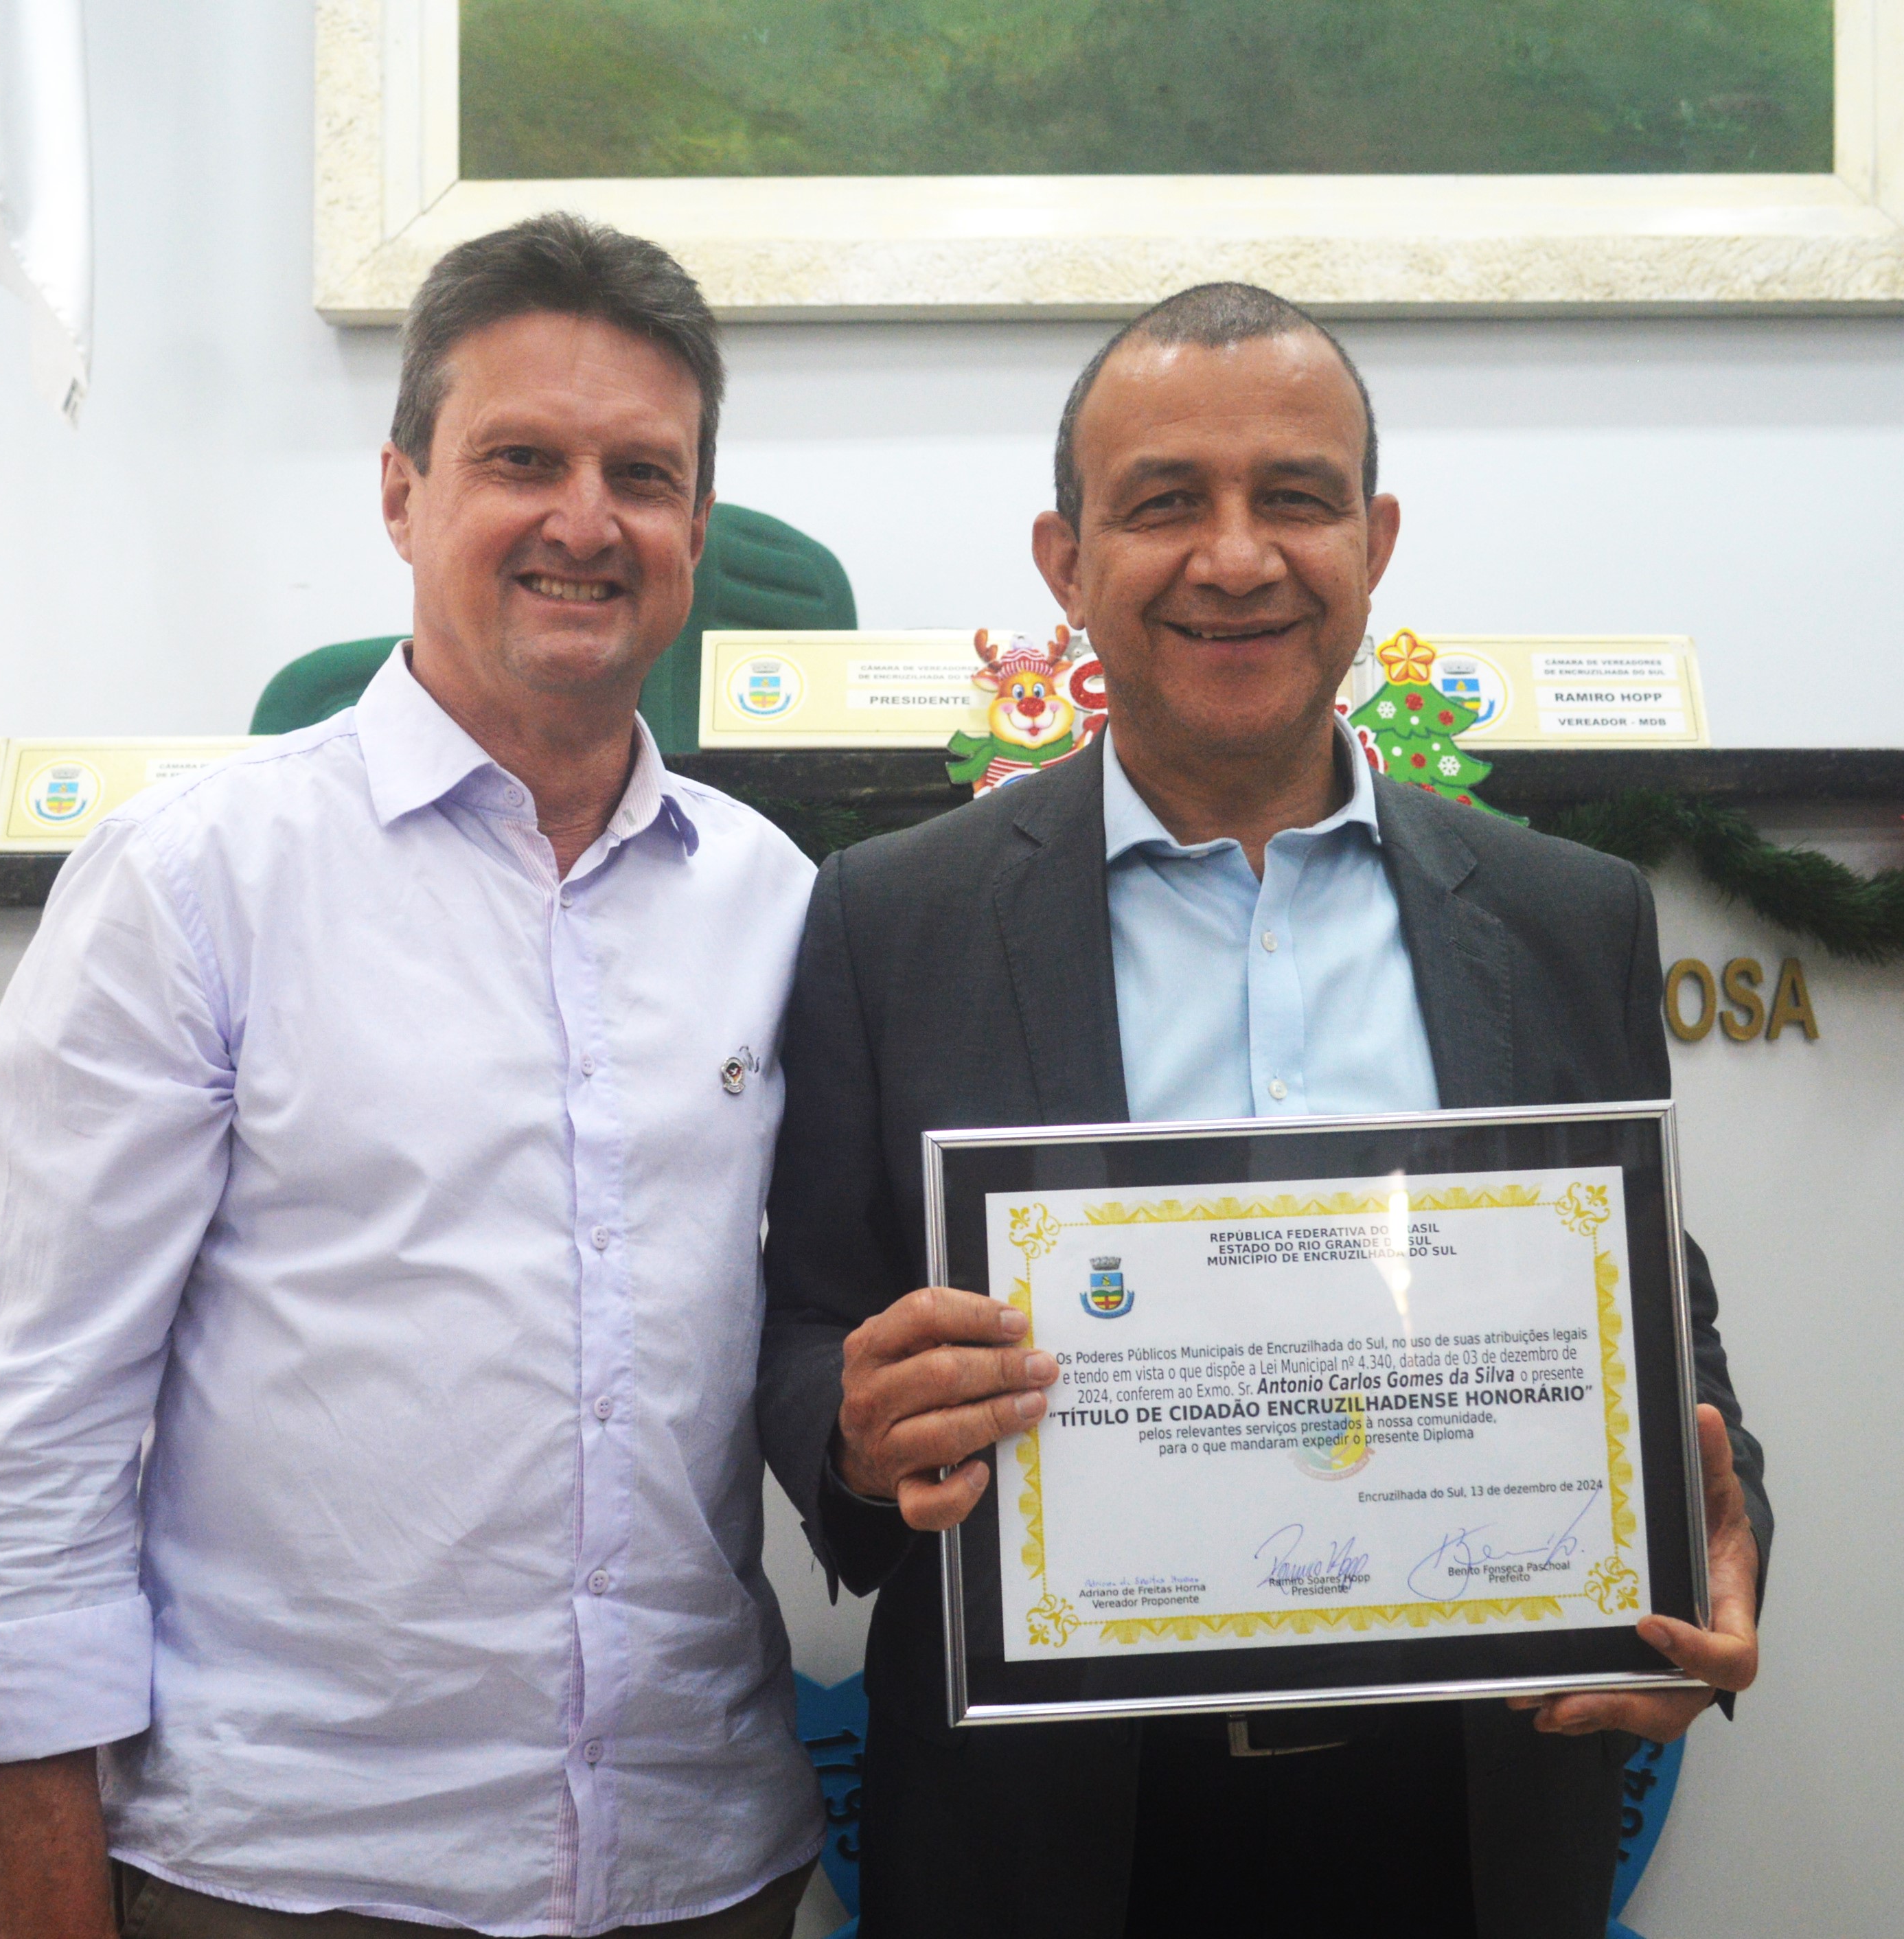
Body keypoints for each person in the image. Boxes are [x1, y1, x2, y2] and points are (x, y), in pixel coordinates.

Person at [757, 282, 1769, 1939]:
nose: (1236, 558)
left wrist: (1727, 1542)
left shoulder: (1564, 914)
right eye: (1165, 502)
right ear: (1065, 559)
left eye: (1294, 497)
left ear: (1374, 541)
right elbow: (805, 1317)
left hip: (1469, 1819)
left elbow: (1662, 1315)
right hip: (1044, 1842)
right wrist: (859, 1431)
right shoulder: (891, 917)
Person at [0, 214, 824, 1939]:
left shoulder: (770, 898)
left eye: (642, 473)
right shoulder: (197, 881)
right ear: (402, 494)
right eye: (522, 460)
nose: (586, 520)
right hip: (289, 1873)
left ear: (697, 528)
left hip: (699, 1866)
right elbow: (36, 1436)